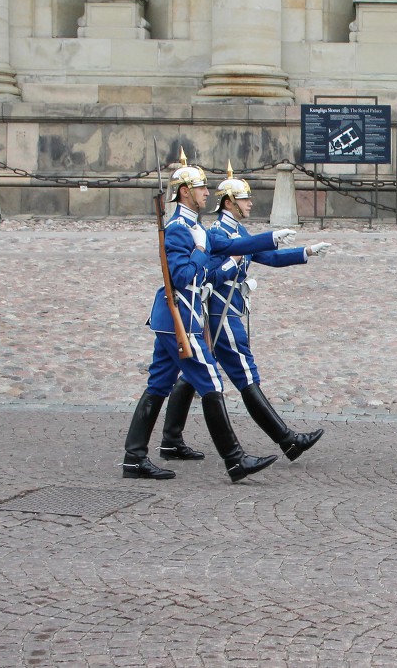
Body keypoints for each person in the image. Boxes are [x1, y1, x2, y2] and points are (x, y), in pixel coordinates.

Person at [120, 157, 297, 482]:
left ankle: (134, 458)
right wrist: (202, 251)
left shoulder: (197, 228)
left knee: (159, 384)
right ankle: (235, 460)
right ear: (185, 192)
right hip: (179, 318)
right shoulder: (178, 230)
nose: (206, 193)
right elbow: (183, 275)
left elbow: (234, 245)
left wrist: (271, 238)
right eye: (201, 187)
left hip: (174, 318)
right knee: (211, 382)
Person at [158, 167, 330, 464]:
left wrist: (307, 252)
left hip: (230, 311)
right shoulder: (216, 233)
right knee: (243, 376)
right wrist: (231, 268)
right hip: (220, 314)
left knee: (192, 375)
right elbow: (204, 275)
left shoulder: (237, 232)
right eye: (244, 198)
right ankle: (286, 441)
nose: (250, 203)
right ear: (229, 202)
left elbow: (267, 257)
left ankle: (171, 438)